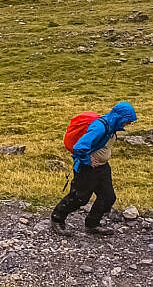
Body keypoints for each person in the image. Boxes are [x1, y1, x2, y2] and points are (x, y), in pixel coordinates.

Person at [51, 101, 138, 236]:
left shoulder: (111, 126)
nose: (128, 125)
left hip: (102, 168)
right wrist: (87, 160)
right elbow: (79, 147)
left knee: (108, 197)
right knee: (79, 198)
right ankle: (57, 219)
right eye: (127, 121)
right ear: (120, 117)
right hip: (86, 169)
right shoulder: (100, 127)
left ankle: (92, 224)